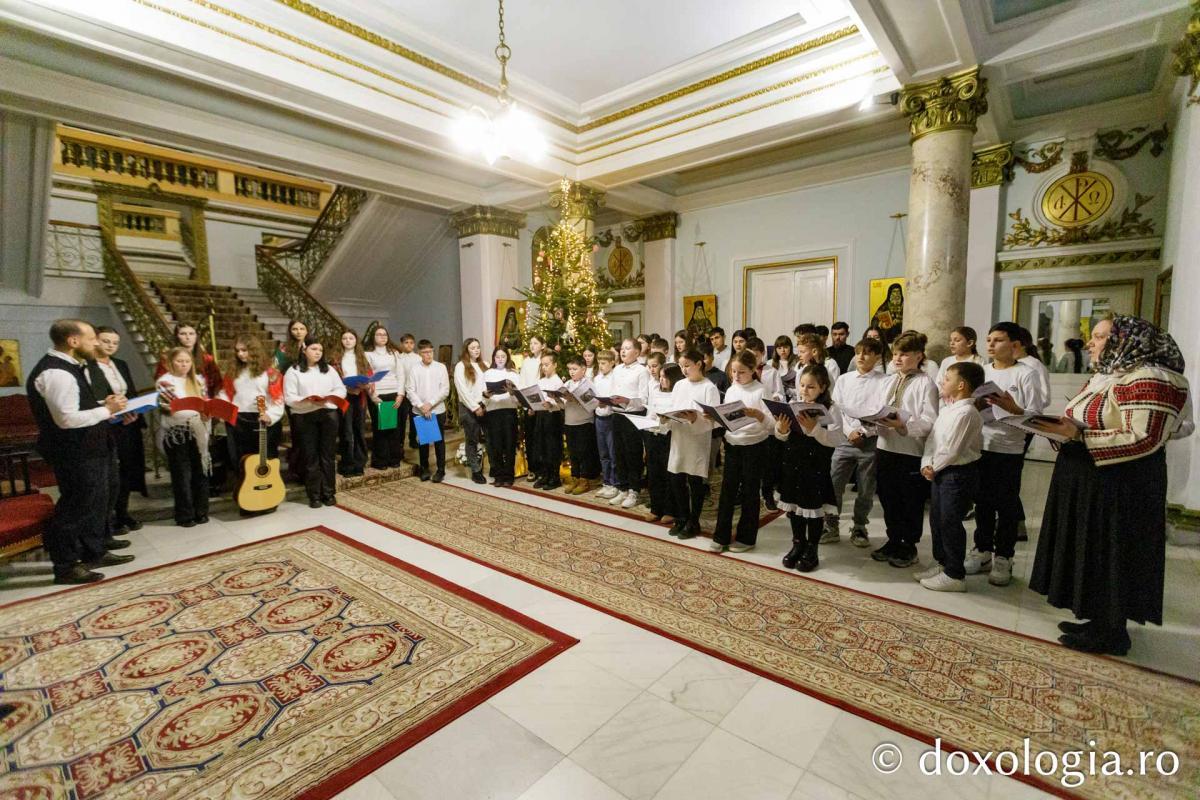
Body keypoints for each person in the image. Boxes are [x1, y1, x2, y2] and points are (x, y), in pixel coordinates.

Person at [1030, 316, 1191, 656]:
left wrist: (1079, 435)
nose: (1090, 343)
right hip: (1092, 475)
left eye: (1100, 336)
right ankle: (1097, 618)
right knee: (1090, 547)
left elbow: (1144, 437)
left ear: (1128, 340)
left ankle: (1112, 631)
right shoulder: (1110, 375)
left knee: (1112, 549)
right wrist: (1063, 431)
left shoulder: (1152, 377)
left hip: (1120, 483)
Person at [27, 319, 132, 584]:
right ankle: (65, 565)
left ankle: (94, 551)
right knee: (76, 507)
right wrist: (106, 410)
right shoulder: (56, 372)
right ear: (73, 341)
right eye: (91, 338)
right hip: (74, 452)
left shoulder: (71, 366)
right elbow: (66, 419)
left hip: (92, 447)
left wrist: (103, 404)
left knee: (96, 502)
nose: (96, 343)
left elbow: (77, 405)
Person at [964, 322, 1045, 586]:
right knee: (982, 501)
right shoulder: (983, 371)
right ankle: (982, 550)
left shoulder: (1026, 373)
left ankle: (1004, 556)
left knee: (1006, 503)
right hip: (981, 443)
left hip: (1009, 448)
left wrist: (1014, 409)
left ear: (1015, 345)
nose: (990, 344)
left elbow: (1035, 415)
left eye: (998, 340)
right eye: (988, 339)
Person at [872, 331, 939, 568]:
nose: (897, 358)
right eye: (895, 354)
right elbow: (878, 408)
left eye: (904, 354)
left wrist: (903, 426)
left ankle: (909, 546)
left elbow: (930, 421)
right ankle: (893, 540)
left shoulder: (926, 383)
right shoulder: (889, 380)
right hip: (885, 447)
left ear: (919, 356)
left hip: (910, 451)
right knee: (888, 497)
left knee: (910, 501)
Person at [917, 361, 986, 592]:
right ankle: (942, 563)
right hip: (939, 470)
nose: (942, 382)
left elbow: (953, 450)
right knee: (937, 519)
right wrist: (926, 463)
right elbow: (933, 440)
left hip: (957, 473)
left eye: (947, 379)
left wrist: (934, 466)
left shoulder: (967, 412)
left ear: (961, 385)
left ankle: (955, 574)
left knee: (950, 522)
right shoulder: (948, 409)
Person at [776, 363, 846, 571]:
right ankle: (798, 543)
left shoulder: (831, 409)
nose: (805, 391)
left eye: (811, 387)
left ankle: (812, 549)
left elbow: (836, 439)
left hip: (815, 466)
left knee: (813, 509)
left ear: (822, 387)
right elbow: (782, 436)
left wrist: (814, 428)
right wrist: (781, 429)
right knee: (795, 508)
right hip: (793, 464)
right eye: (802, 385)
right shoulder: (794, 404)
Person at [826, 338, 888, 545]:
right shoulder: (844, 379)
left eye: (867, 353)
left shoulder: (885, 381)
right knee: (834, 483)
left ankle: (860, 526)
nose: (861, 356)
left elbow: (882, 412)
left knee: (866, 488)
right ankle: (831, 525)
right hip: (844, 439)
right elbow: (836, 409)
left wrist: (863, 432)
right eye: (859, 352)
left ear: (877, 357)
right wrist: (849, 431)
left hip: (870, 441)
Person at [710, 350, 773, 553]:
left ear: (753, 370)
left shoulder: (761, 390)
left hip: (754, 445)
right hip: (733, 443)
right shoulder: (731, 390)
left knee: (749, 492)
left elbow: (772, 424)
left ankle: (746, 538)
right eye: (733, 371)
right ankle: (721, 536)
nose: (736, 376)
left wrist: (758, 415)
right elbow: (728, 417)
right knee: (727, 491)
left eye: (742, 372)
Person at [89, 326, 146, 535]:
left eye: (115, 343)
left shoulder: (120, 364)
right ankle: (107, 519)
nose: (111, 346)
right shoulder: (88, 366)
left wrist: (135, 411)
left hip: (127, 424)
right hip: (105, 425)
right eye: (106, 341)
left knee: (127, 470)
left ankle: (123, 513)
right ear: (95, 341)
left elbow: (130, 392)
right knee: (108, 474)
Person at [284, 336, 345, 508]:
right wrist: (308, 401)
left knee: (328, 456)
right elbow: (289, 397)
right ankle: (315, 495)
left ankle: (329, 493)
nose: (318, 353)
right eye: (314, 349)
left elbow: (340, 389)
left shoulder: (329, 370)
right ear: (304, 350)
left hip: (327, 414)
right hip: (304, 415)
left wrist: (329, 398)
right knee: (310, 456)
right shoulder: (293, 371)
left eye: (320, 350)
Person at [664, 349, 720, 539]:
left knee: (695, 481)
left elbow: (713, 420)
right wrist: (666, 417)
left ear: (699, 364)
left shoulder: (709, 388)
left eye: (687, 365)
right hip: (679, 437)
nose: (684, 370)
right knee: (676, 478)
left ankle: (693, 521)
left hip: (697, 439)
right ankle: (682, 517)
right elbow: (672, 407)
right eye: (681, 366)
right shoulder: (679, 385)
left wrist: (695, 418)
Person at [220, 334, 285, 495]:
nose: (240, 354)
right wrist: (223, 408)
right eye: (238, 351)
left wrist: (270, 415)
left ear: (254, 350)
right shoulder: (233, 372)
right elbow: (225, 393)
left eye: (244, 350)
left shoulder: (270, 372)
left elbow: (278, 398)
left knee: (266, 460)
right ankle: (247, 494)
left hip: (263, 419)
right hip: (238, 419)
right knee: (240, 460)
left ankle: (268, 494)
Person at [157, 346, 212, 527]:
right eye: (179, 361)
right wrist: (195, 410)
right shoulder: (165, 381)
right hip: (177, 434)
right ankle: (185, 515)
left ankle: (201, 511)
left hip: (198, 431)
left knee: (200, 472)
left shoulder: (198, 380)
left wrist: (207, 412)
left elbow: (205, 401)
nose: (184, 365)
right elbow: (171, 407)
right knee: (182, 475)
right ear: (171, 362)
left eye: (187, 361)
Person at [609, 338, 650, 509]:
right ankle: (623, 488)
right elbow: (612, 391)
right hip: (617, 415)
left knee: (632, 453)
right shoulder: (617, 369)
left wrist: (627, 401)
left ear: (637, 352)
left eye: (627, 348)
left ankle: (634, 490)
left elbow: (644, 399)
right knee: (619, 453)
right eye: (622, 348)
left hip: (633, 415)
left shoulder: (642, 371)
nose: (623, 351)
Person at [406, 339, 450, 482]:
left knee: (439, 441)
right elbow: (410, 390)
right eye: (425, 352)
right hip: (420, 411)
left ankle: (441, 470)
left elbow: (445, 390)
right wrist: (421, 406)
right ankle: (424, 469)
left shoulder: (440, 367)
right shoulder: (414, 369)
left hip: (437, 410)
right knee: (423, 441)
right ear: (419, 353)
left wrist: (430, 404)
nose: (428, 355)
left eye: (430, 351)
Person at [330, 330, 372, 478]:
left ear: (356, 341)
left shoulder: (362, 357)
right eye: (344, 338)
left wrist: (366, 385)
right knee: (346, 431)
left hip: (360, 395)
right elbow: (332, 379)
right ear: (341, 341)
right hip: (344, 396)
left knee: (359, 429)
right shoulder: (335, 359)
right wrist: (346, 387)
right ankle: (347, 464)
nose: (348, 341)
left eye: (351, 338)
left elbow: (369, 375)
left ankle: (359, 463)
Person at [365, 325, 406, 470]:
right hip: (378, 394)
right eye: (379, 334)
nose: (382, 337)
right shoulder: (368, 354)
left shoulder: (394, 354)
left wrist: (400, 394)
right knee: (381, 429)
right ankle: (380, 460)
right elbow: (368, 377)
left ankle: (394, 459)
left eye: (384, 334)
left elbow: (401, 374)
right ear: (373, 337)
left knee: (394, 428)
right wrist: (373, 397)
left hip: (394, 393)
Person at [643, 356, 679, 523]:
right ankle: (655, 507)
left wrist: (667, 419)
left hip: (669, 437)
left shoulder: (678, 395)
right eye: (661, 376)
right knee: (653, 473)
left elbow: (679, 417)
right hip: (653, 435)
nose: (662, 380)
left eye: (665, 377)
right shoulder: (656, 391)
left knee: (668, 474)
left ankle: (670, 509)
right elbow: (650, 413)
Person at [563, 355, 601, 495]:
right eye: (569, 369)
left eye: (574, 369)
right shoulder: (568, 384)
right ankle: (575, 477)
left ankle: (584, 480)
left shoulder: (588, 384)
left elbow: (594, 404)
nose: (571, 372)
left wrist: (578, 400)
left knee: (584, 452)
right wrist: (559, 399)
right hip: (569, 422)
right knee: (573, 452)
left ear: (583, 369)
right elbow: (563, 405)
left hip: (584, 423)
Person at [482, 347, 519, 487]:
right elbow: (482, 395)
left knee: (509, 445)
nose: (500, 359)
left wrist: (512, 393)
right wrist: (486, 396)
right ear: (493, 358)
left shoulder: (513, 374)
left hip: (509, 411)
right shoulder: (487, 374)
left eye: (503, 356)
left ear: (507, 357)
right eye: (497, 357)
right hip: (493, 412)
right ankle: (498, 475)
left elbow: (519, 398)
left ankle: (509, 476)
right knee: (495, 445)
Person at [529, 352, 566, 490]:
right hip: (541, 415)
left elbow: (562, 402)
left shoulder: (558, 382)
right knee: (542, 446)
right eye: (542, 365)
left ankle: (554, 477)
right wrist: (532, 407)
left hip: (553, 417)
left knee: (552, 447)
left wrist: (551, 404)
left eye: (547, 364)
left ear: (554, 365)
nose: (544, 367)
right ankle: (545, 475)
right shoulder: (541, 381)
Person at [454, 338, 488, 484]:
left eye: (478, 347)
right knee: (472, 439)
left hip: (484, 405)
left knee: (488, 438)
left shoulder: (485, 364)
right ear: (466, 350)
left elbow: (488, 386)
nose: (476, 350)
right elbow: (462, 391)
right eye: (472, 348)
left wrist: (484, 404)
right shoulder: (461, 366)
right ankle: (475, 471)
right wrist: (475, 407)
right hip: (469, 407)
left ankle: (491, 467)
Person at [519, 335, 547, 481]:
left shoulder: (545, 361)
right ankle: (533, 468)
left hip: (542, 406)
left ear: (543, 345)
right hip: (528, 405)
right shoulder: (526, 362)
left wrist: (536, 405)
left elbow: (542, 384)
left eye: (535, 343)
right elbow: (523, 383)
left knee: (541, 438)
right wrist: (528, 405)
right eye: (530, 343)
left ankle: (543, 469)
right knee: (530, 437)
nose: (532, 346)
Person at [593, 349, 620, 499]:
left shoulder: (615, 378)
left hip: (611, 417)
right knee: (603, 453)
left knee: (612, 453)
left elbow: (616, 398)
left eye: (604, 363)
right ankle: (606, 482)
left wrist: (607, 403)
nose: (601, 366)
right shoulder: (597, 378)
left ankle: (615, 483)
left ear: (612, 363)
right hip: (599, 417)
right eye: (599, 363)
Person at [398, 333, 421, 454]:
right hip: (403, 392)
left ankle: (413, 439)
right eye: (406, 342)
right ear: (402, 344)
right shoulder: (398, 358)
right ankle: (400, 443)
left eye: (411, 343)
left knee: (415, 417)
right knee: (401, 419)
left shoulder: (418, 358)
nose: (409, 345)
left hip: (415, 392)